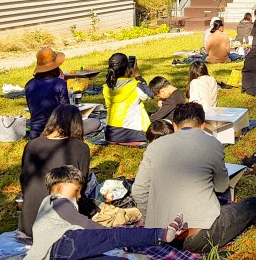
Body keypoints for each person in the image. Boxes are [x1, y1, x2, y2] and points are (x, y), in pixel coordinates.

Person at [131, 103, 256, 254]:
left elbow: (138, 192)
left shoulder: (154, 146)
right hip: (199, 237)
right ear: (202, 126)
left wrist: (155, 222)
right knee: (251, 204)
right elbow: (221, 187)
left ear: (174, 126)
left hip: (160, 236)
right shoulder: (212, 143)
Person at [24, 164, 186, 260]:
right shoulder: (59, 202)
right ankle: (162, 234)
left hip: (60, 254)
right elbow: (81, 222)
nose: (79, 195)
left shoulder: (48, 207)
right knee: (117, 235)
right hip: (63, 243)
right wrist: (107, 234)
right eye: (76, 190)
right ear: (60, 188)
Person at [20, 105, 95, 237]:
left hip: (29, 221)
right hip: (60, 224)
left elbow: (24, 182)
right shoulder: (80, 148)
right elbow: (79, 189)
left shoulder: (31, 145)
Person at [25, 47, 102, 139]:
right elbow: (66, 111)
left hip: (35, 133)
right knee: (95, 122)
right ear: (55, 67)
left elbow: (33, 110)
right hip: (58, 132)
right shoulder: (59, 84)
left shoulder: (29, 85)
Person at [103, 53, 152, 144]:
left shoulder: (106, 87)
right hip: (131, 133)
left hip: (110, 133)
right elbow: (149, 95)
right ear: (127, 69)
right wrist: (137, 75)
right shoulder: (135, 85)